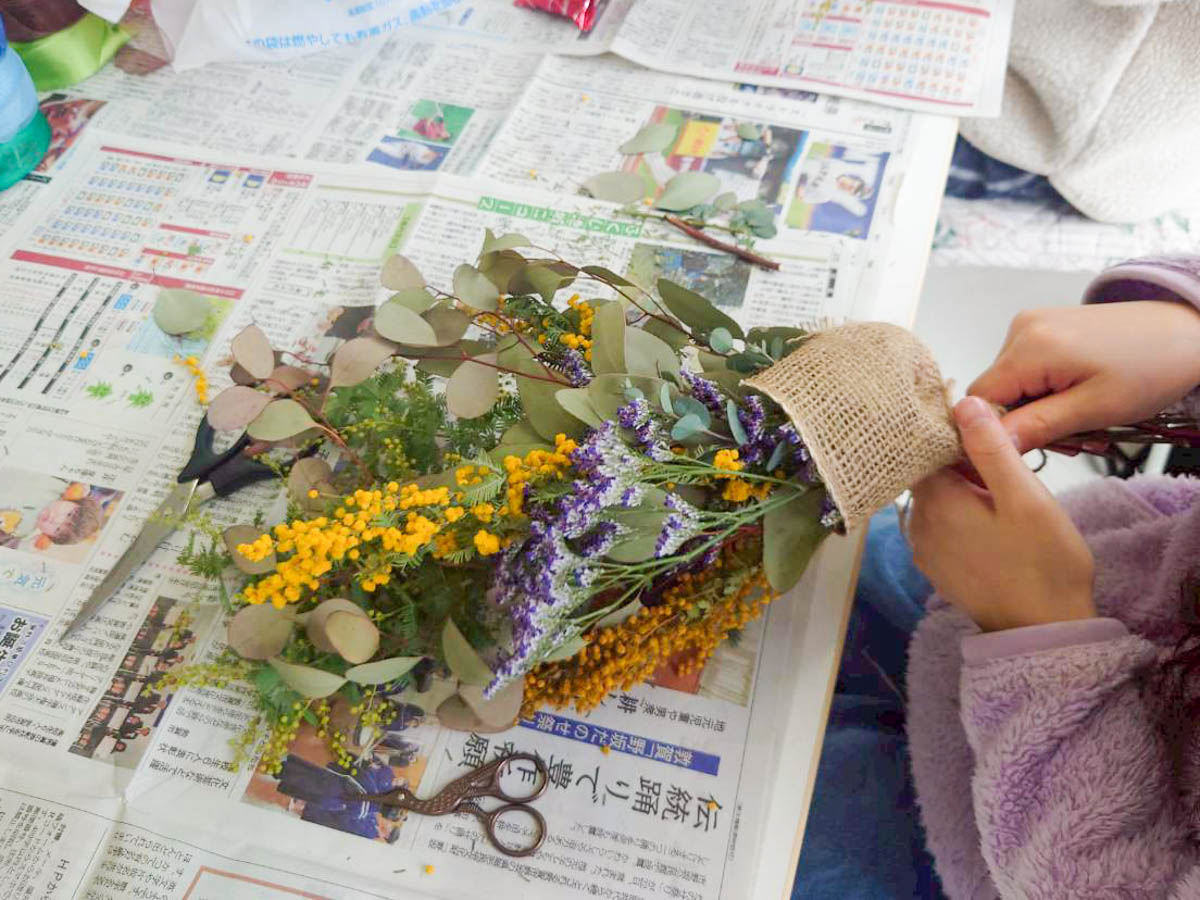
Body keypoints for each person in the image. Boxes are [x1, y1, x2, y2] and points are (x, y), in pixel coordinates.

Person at [794, 255, 1200, 898]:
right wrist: (1187, 328)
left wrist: (1042, 634)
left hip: (997, 852)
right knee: (794, 569)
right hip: (1087, 574)